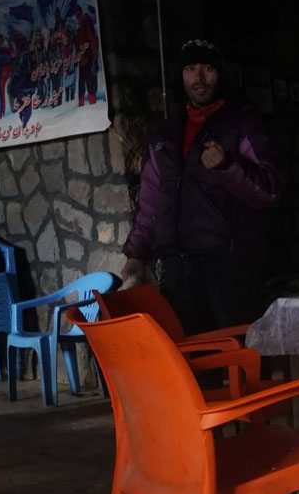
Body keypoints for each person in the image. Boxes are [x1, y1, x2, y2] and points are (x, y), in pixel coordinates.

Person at [119, 38, 284, 333]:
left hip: (230, 265)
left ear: (220, 75)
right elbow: (150, 202)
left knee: (241, 358)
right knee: (195, 365)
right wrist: (136, 254)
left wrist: (228, 166)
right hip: (178, 268)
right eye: (191, 69)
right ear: (180, 76)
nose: (199, 77)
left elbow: (270, 189)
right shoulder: (165, 135)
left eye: (208, 68)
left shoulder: (243, 125)